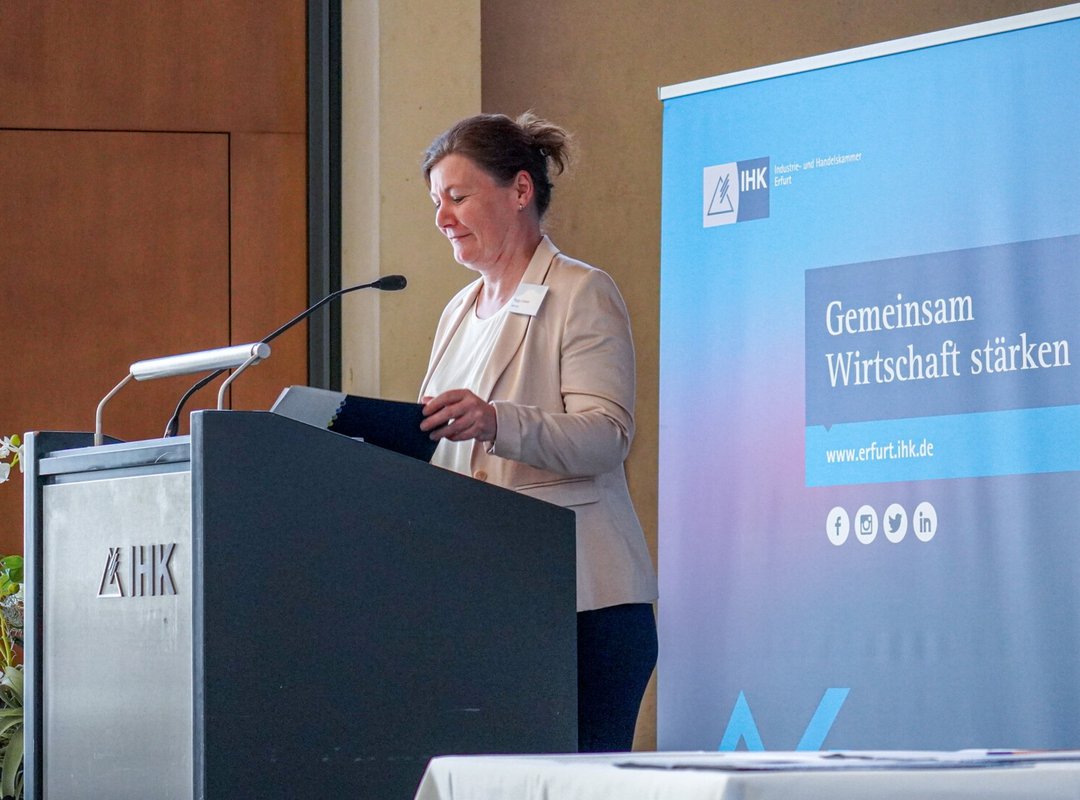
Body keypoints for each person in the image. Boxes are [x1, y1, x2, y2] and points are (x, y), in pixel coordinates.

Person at [417, 112, 658, 752]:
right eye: (436, 202)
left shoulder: (581, 292)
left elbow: (606, 435)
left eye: (458, 196)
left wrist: (497, 421)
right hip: (485, 600)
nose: (443, 217)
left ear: (520, 190)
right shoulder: (457, 312)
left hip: (582, 603)